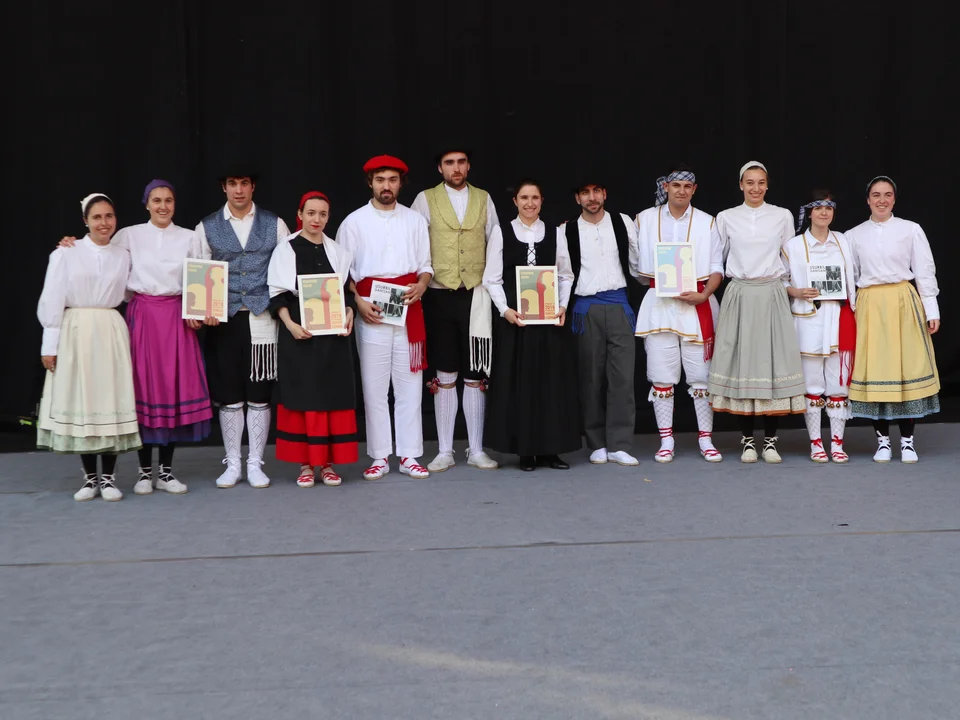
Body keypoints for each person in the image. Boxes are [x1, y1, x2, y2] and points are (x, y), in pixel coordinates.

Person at [38, 194, 141, 501]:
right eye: (97, 217)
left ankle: (108, 478)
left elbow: (132, 290)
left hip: (109, 329)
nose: (104, 223)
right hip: (77, 330)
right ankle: (90, 479)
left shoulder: (123, 255)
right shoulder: (66, 253)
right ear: (85, 221)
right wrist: (49, 345)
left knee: (109, 398)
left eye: (109, 216)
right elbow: (52, 297)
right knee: (84, 400)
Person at [336, 155, 433, 480]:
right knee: (374, 387)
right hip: (371, 308)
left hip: (407, 306)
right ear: (371, 183)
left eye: (392, 180)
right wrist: (357, 302)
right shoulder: (353, 222)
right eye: (380, 180)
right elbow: (343, 271)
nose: (386, 186)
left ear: (400, 183)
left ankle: (409, 455)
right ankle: (379, 456)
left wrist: (422, 285)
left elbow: (425, 265)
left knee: (409, 386)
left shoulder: (415, 220)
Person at [196, 171, 291, 488]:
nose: (239, 190)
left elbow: (285, 268)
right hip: (224, 320)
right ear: (224, 187)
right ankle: (233, 462)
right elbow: (198, 270)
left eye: (244, 183)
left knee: (259, 394)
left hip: (263, 317)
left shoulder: (274, 224)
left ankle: (255, 463)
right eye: (233, 184)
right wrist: (205, 308)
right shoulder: (207, 226)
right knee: (230, 395)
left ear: (253, 187)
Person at [710, 161, 805, 463]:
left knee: (772, 364)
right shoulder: (726, 217)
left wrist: (791, 289)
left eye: (761, 182)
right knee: (744, 364)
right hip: (740, 293)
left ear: (767, 184)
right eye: (749, 182)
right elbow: (717, 259)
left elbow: (789, 258)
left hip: (772, 294)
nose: (755, 188)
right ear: (741, 185)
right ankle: (748, 441)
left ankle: (771, 442)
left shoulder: (781, 215)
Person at [410, 148, 499, 472]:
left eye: (461, 162)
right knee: (445, 372)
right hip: (438, 294)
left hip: (476, 294)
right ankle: (444, 450)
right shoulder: (424, 199)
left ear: (469, 166)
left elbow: (495, 243)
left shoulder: (484, 198)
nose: (456, 167)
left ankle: (476, 449)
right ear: (440, 168)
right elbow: (416, 244)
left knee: (475, 372)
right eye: (449, 163)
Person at [482, 179, 581, 471]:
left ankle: (551, 450)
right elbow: (492, 279)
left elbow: (565, 275)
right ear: (515, 201)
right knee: (521, 384)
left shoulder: (554, 232)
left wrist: (562, 306)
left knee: (551, 384)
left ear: (541, 201)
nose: (529, 203)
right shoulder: (502, 232)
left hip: (549, 321)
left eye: (535, 197)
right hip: (517, 321)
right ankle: (525, 451)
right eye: (524, 198)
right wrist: (505, 310)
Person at [845, 176, 940, 463]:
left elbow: (924, 270)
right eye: (876, 195)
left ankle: (907, 441)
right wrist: (852, 309)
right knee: (876, 370)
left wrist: (931, 309)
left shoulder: (910, 229)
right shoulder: (853, 235)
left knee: (905, 369)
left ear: (894, 199)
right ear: (868, 200)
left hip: (902, 301)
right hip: (870, 304)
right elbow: (850, 277)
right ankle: (883, 441)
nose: (882, 200)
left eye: (887, 195)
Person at [267, 191, 358, 487]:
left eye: (322, 214)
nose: (316, 219)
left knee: (331, 396)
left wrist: (349, 313)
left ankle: (328, 464)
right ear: (300, 214)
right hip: (300, 334)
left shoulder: (338, 252)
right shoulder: (286, 249)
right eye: (311, 213)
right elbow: (277, 294)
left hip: (333, 337)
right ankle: (306, 465)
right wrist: (290, 325)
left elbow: (346, 294)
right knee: (304, 396)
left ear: (328, 217)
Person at [633, 166, 723, 463]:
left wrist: (704, 295)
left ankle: (706, 439)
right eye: (676, 185)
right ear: (666, 187)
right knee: (661, 376)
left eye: (687, 186)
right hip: (660, 307)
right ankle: (666, 440)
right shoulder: (645, 219)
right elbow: (634, 264)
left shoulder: (708, 222)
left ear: (694, 190)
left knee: (701, 378)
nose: (681, 191)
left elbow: (716, 267)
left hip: (697, 304)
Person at [556, 178, 643, 466]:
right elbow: (561, 273)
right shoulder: (565, 230)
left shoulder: (622, 222)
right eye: (585, 193)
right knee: (590, 378)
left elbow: (637, 264)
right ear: (577, 198)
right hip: (585, 309)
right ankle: (596, 443)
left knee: (623, 380)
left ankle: (620, 444)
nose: (591, 198)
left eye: (596, 191)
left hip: (619, 306)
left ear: (604, 194)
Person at [783, 190, 857, 463]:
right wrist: (796, 291)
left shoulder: (843, 241)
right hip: (808, 320)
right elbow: (780, 280)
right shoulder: (793, 246)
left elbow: (854, 277)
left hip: (839, 319)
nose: (824, 212)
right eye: (818, 208)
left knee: (838, 384)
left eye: (829, 207)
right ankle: (816, 443)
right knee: (812, 382)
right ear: (809, 212)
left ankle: (837, 442)